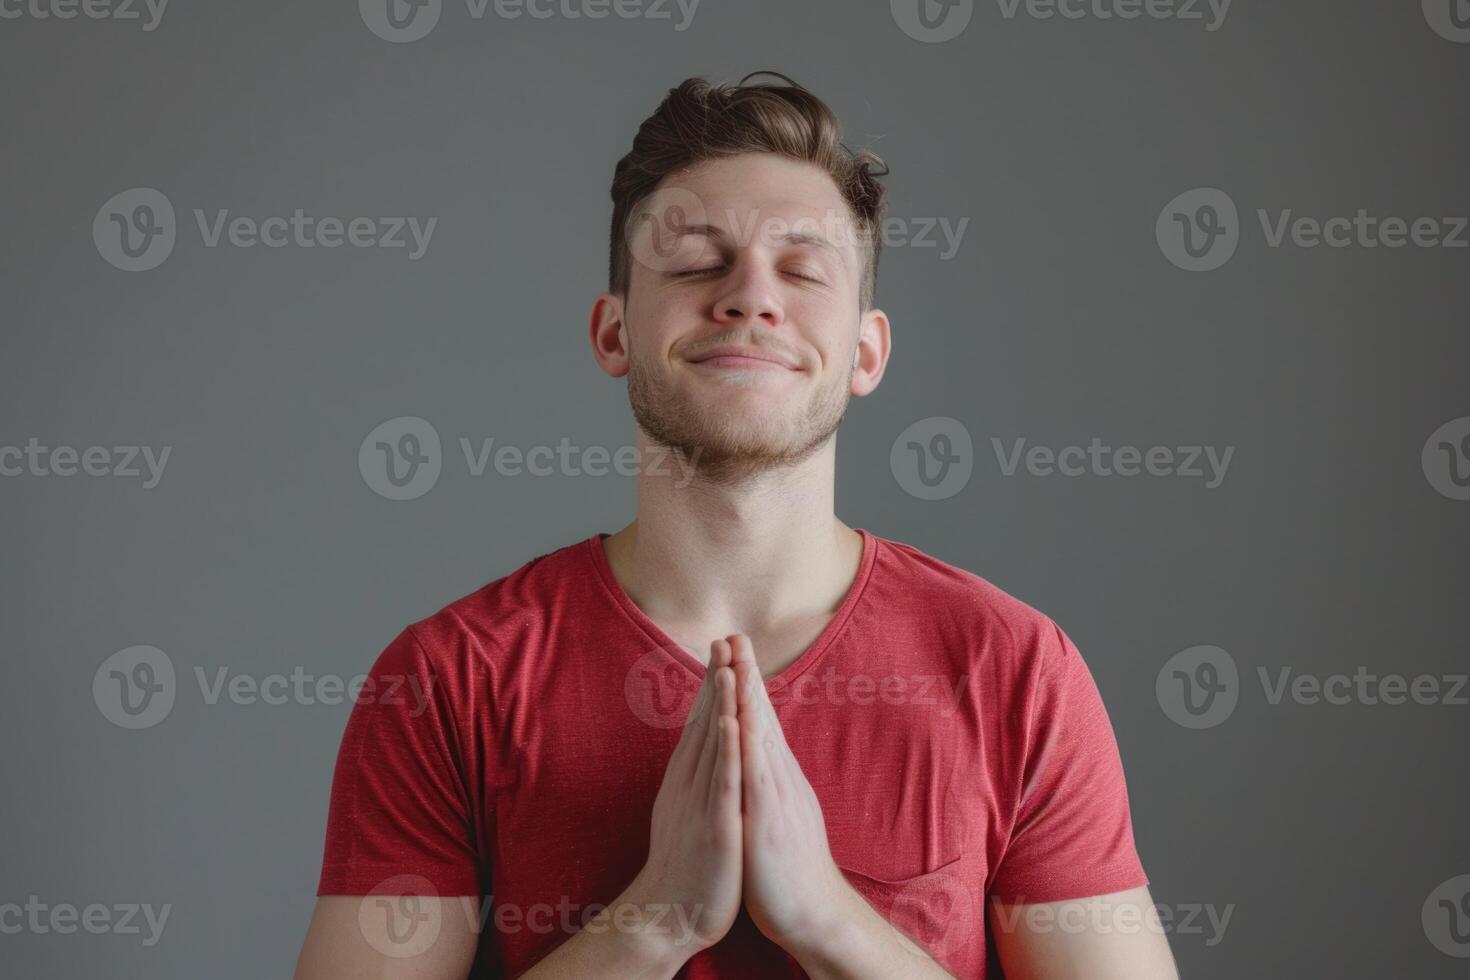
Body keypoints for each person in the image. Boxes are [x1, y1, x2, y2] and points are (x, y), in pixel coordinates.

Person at [294, 71, 1179, 979]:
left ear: (866, 351)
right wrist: (655, 921)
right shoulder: (447, 681)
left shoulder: (1018, 674)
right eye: (693, 263)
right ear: (614, 334)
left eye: (801, 269)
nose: (751, 297)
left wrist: (828, 920)